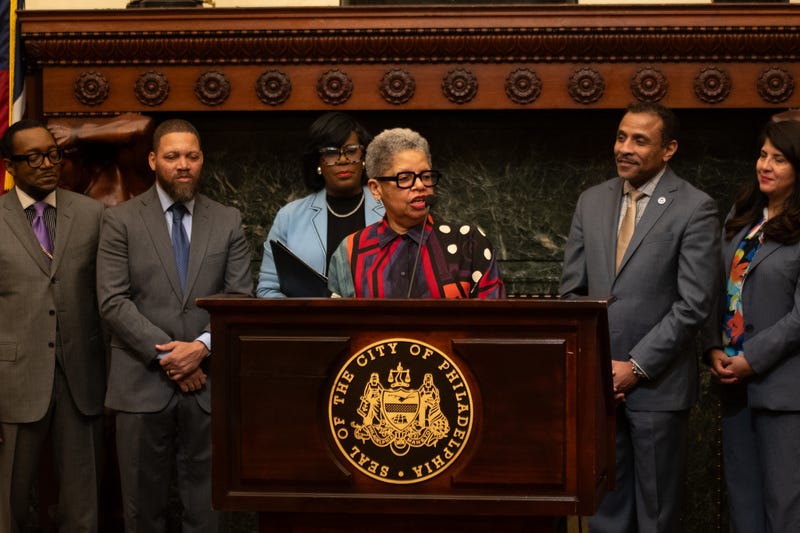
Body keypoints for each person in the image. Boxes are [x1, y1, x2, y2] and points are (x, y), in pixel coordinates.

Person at [559, 102, 720, 532]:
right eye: (620, 137)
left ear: (668, 149)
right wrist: (596, 368)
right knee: (606, 513)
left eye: (639, 140)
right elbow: (572, 292)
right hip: (599, 388)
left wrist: (635, 367)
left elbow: (694, 304)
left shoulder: (695, 208)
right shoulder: (591, 201)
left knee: (657, 515)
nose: (624, 148)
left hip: (657, 387)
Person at [96, 118, 253, 532]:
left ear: (201, 160)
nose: (183, 165)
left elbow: (239, 298)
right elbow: (113, 301)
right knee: (141, 512)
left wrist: (200, 348)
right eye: (172, 156)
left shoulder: (228, 220)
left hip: (209, 387)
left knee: (209, 513)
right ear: (152, 161)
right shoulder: (120, 220)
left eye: (192, 156)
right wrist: (172, 357)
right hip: (141, 384)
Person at [0, 120, 106, 531]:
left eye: (53, 154)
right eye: (34, 157)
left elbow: (107, 297)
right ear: (10, 166)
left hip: (81, 379)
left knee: (83, 506)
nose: (48, 164)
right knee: (9, 502)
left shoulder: (93, 214)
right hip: (13, 380)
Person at [703, 118, 800, 533]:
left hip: (783, 389)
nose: (766, 165)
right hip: (733, 384)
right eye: (763, 155)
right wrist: (713, 348)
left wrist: (751, 360)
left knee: (785, 508)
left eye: (779, 159)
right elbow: (716, 289)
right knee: (743, 508)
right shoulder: (742, 217)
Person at [327, 127, 504, 299]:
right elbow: (341, 326)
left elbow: (494, 323)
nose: (420, 186)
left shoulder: (468, 242)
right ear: (376, 188)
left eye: (426, 176)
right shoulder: (351, 251)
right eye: (404, 178)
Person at [256, 112, 384, 297]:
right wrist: (306, 320)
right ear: (318, 162)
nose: (342, 160)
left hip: (377, 323)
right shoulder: (289, 217)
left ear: (364, 156)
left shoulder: (389, 210)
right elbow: (267, 289)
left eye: (351, 150)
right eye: (331, 153)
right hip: (308, 323)